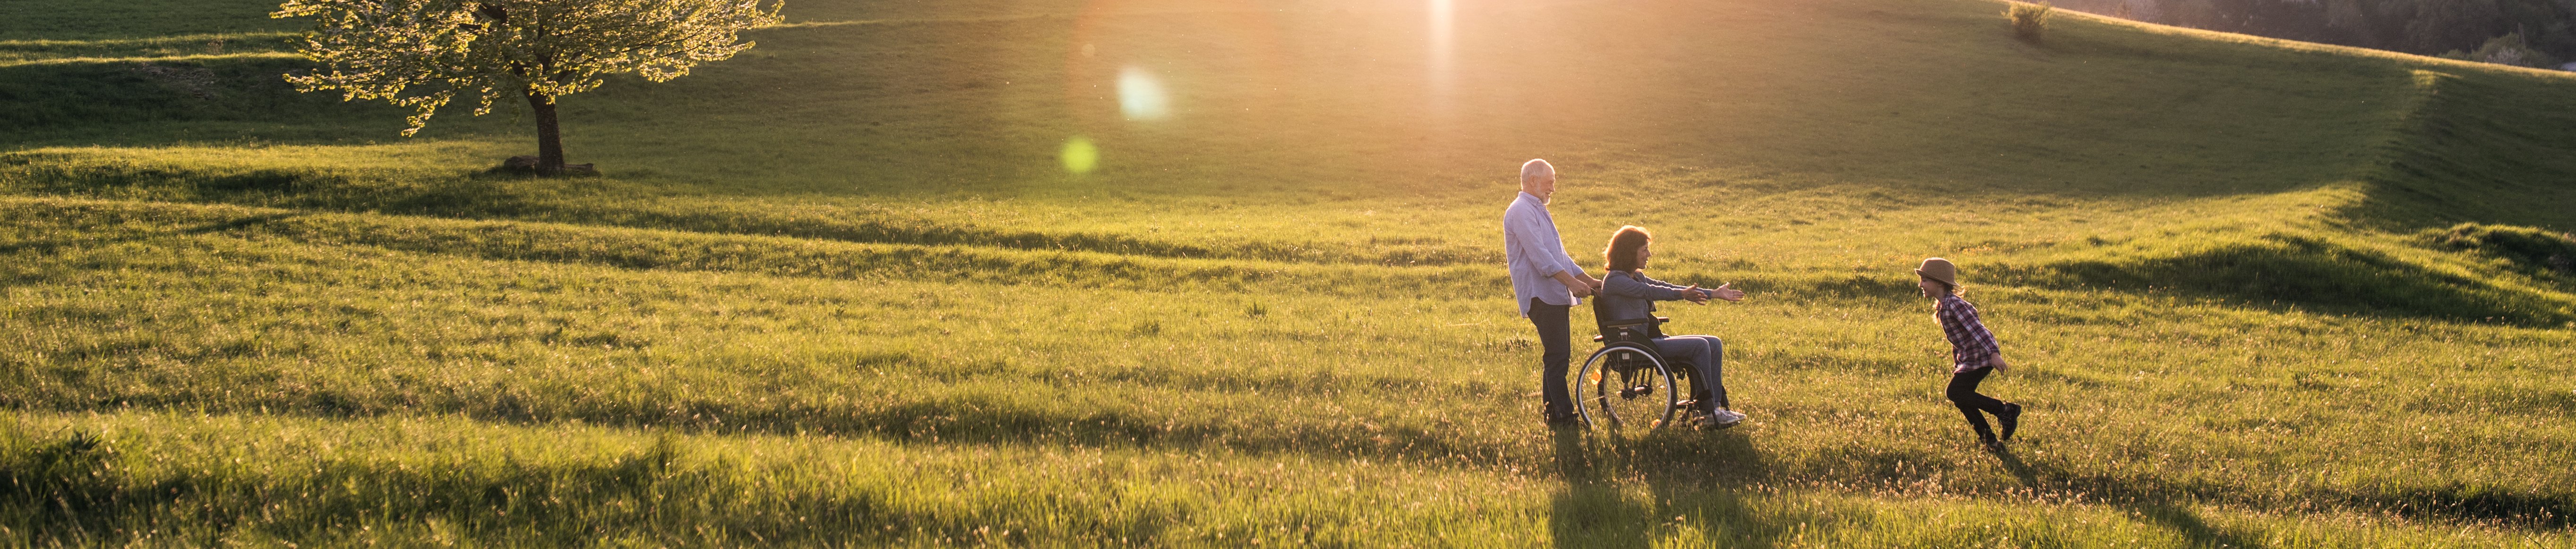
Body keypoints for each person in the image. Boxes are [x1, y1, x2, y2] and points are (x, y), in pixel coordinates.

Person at [1594, 225, 1749, 429]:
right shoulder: (1615, 281)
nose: (1649, 254)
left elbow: (1670, 286)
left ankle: (1716, 408)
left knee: (1714, 343)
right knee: (1701, 346)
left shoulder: (1635, 275)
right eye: (1644, 250)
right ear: (1629, 252)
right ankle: (1708, 410)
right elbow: (1651, 291)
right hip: (1636, 345)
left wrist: (1713, 293)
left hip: (1647, 341)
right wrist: (1682, 296)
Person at [1503, 159, 1601, 426]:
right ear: (1533, 181)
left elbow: (1560, 255)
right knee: (1558, 356)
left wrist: (1590, 281)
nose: (1553, 189)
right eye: (1549, 183)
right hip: (1540, 294)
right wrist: (1571, 283)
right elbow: (1541, 258)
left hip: (1552, 293)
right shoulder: (1521, 211)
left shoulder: (1538, 208)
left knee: (1558, 355)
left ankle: (1553, 415)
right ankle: (1564, 415)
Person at [1916, 257, 2022, 447]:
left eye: (1925, 280)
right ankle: (1990, 441)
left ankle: (2005, 411)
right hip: (1971, 360)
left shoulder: (1954, 305)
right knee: (1961, 398)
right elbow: (1959, 341)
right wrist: (1959, 365)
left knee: (1955, 392)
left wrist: (1994, 354)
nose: (1920, 284)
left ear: (1939, 282)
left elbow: (1979, 330)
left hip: (1981, 358)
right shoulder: (1944, 305)